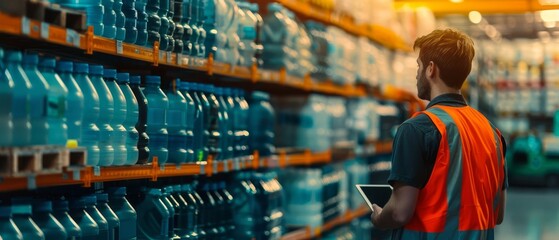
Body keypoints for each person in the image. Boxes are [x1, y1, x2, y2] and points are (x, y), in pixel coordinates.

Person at [370, 28, 508, 239]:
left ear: (431, 69)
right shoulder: (492, 133)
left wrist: (379, 218)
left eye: (419, 66)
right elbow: (498, 214)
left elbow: (399, 213)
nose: (416, 73)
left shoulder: (416, 129)